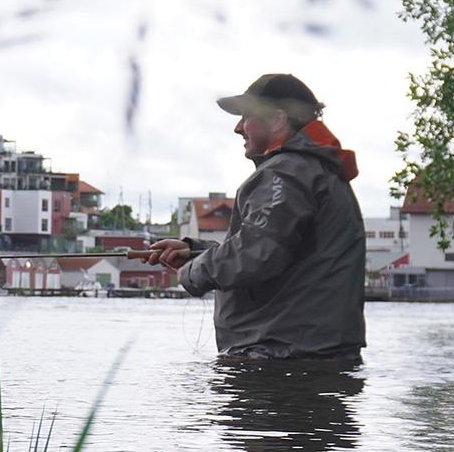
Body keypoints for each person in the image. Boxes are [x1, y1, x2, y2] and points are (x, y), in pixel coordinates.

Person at [146, 74, 365, 360]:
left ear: (277, 119)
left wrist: (193, 272)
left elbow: (255, 253)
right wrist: (194, 252)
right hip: (311, 354)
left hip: (281, 358)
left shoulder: (286, 173)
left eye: (246, 117)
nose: (238, 128)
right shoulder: (313, 170)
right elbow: (282, 252)